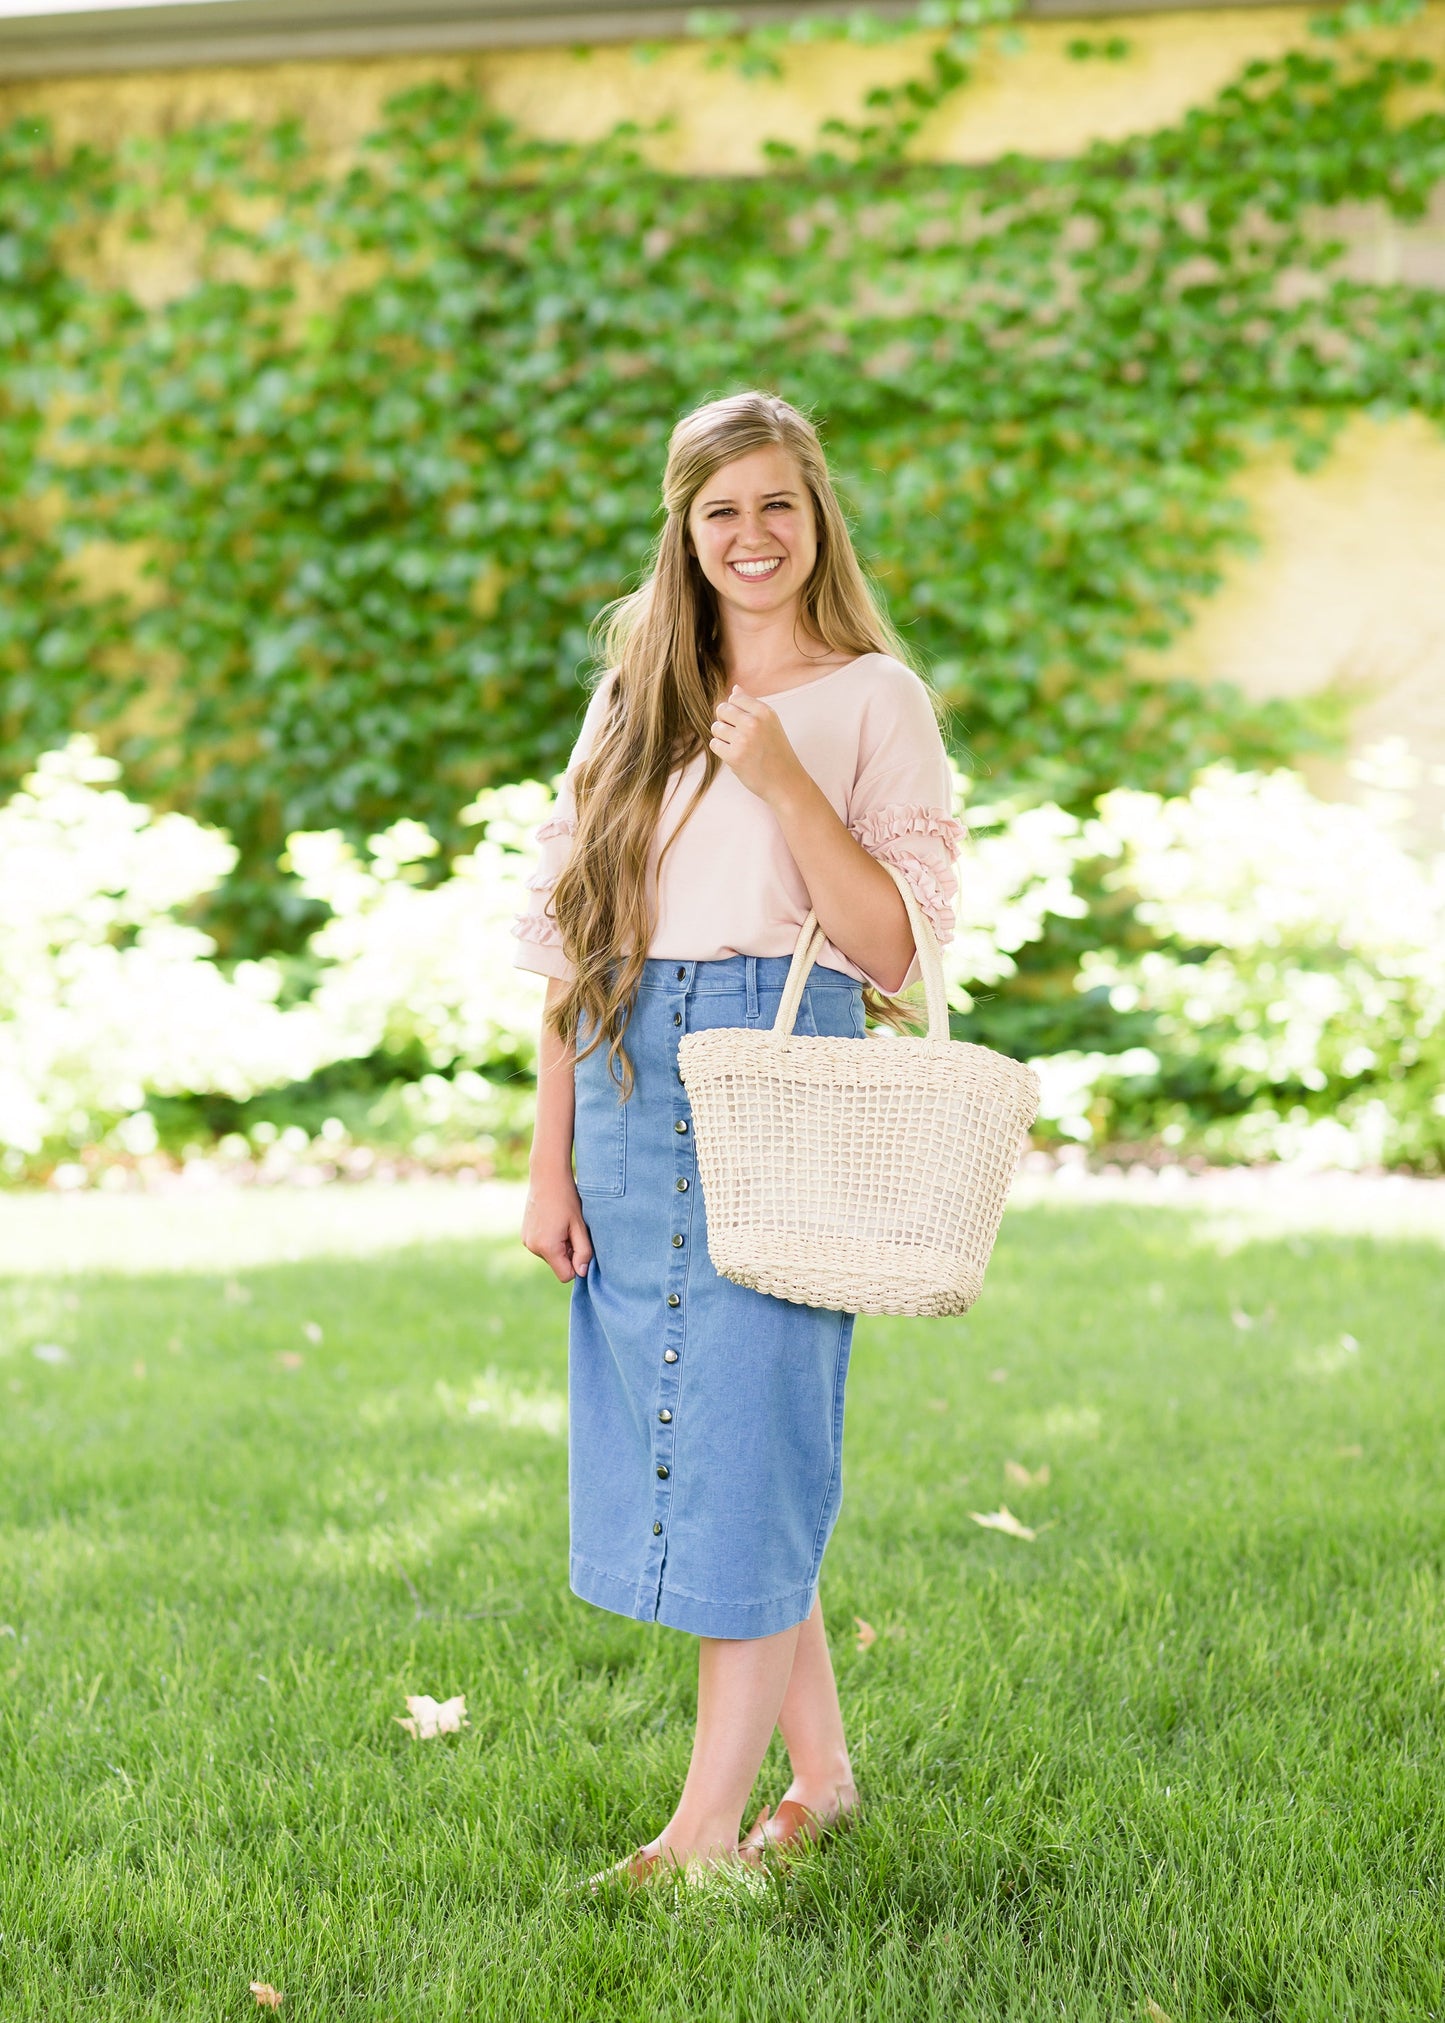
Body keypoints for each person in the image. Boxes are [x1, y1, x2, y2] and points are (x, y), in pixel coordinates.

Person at [512, 390, 964, 1885]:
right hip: (627, 1065)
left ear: (814, 512)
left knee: (743, 1436)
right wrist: (547, 1154)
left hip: (780, 1075)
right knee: (720, 1439)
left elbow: (894, 950)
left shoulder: (869, 697)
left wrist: (779, 779)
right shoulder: (635, 689)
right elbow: (574, 923)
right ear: (685, 529)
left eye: (777, 504)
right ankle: (819, 1781)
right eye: (720, 512)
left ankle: (701, 1834)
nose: (751, 536)